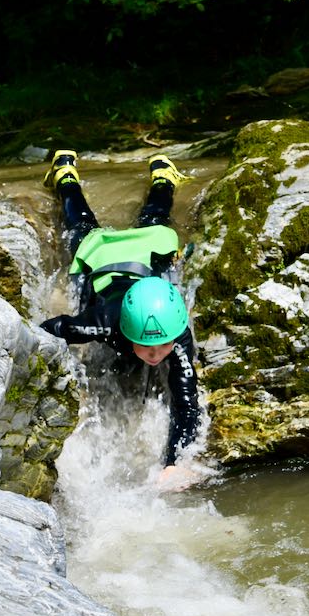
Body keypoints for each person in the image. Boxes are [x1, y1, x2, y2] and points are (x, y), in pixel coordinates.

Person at [38, 150, 203, 490]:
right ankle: (65, 175)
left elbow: (186, 403)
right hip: (102, 258)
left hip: (146, 253)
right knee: (79, 223)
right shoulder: (103, 322)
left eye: (162, 345)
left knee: (157, 217)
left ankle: (163, 175)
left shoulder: (177, 332)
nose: (155, 354)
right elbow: (54, 329)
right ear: (127, 332)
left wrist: (173, 463)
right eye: (146, 345)